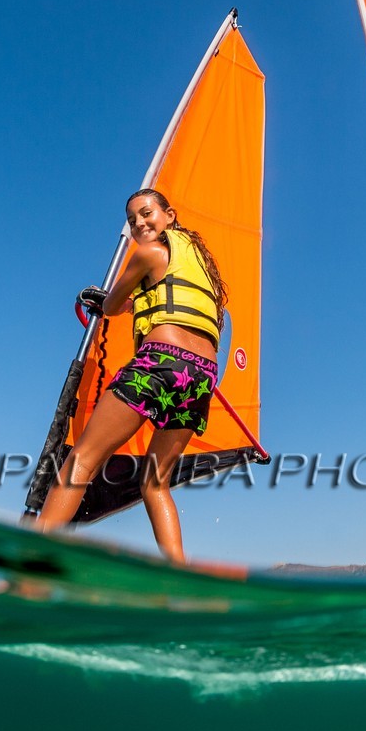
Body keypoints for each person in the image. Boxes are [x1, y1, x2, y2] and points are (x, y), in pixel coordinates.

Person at [35, 188, 227, 563]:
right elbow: (160, 299)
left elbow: (108, 305)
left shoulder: (148, 253)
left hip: (160, 362)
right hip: (201, 376)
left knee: (81, 462)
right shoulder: (200, 265)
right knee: (155, 482)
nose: (139, 223)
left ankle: (31, 561)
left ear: (170, 215)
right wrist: (130, 303)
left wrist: (104, 300)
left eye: (146, 213)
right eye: (132, 219)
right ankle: (178, 575)